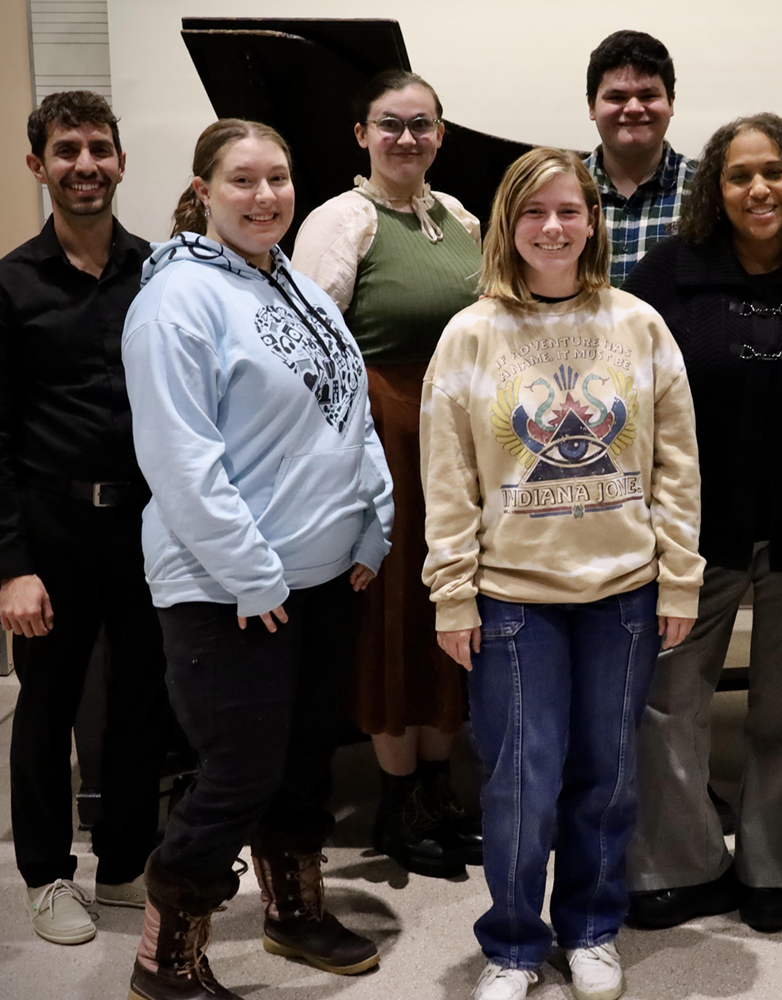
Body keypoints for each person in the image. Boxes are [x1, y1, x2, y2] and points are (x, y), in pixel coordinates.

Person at [121, 119, 394, 999]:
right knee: (238, 772)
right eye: (243, 180)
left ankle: (293, 911)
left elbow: (348, 409)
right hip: (228, 587)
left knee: (306, 757)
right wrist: (251, 571)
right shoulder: (177, 301)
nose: (266, 195)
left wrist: (371, 523)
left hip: (316, 577)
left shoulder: (298, 290)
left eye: (278, 177)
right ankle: (165, 961)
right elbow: (179, 459)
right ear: (204, 191)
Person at [421, 148, 703, 1000]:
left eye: (570, 211)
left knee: (608, 775)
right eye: (534, 212)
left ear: (593, 222)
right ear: (509, 225)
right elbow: (448, 476)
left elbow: (677, 467)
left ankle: (588, 930)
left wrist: (680, 578)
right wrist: (453, 592)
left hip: (623, 592)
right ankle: (512, 944)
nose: (553, 228)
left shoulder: (639, 324)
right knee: (520, 781)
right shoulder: (470, 334)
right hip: (512, 600)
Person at [620, 114, 782, 934]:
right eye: (738, 176)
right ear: (714, 189)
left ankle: (773, 864)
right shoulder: (668, 275)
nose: (758, 189)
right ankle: (682, 864)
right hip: (696, 527)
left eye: (773, 172)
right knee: (665, 699)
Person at [0, 90, 169, 947]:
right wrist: (13, 565)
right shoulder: (5, 288)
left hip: (148, 529)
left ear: (121, 160)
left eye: (99, 149)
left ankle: (123, 867)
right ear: (38, 164)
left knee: (144, 705)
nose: (86, 165)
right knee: (46, 708)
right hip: (50, 533)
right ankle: (48, 876)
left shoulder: (159, 271)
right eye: (67, 150)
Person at [292, 69, 482, 880]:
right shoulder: (343, 220)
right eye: (390, 124)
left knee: (456, 600)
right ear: (361, 135)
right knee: (396, 615)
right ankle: (396, 801)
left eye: (423, 124)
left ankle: (439, 791)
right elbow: (308, 350)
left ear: (442, 134)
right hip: (386, 444)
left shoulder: (462, 216)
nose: (408, 138)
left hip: (462, 440)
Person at [583, 30, 697, 287]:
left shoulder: (709, 190)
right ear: (591, 106)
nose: (634, 108)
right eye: (617, 97)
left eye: (648, 96)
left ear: (671, 101)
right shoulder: (558, 192)